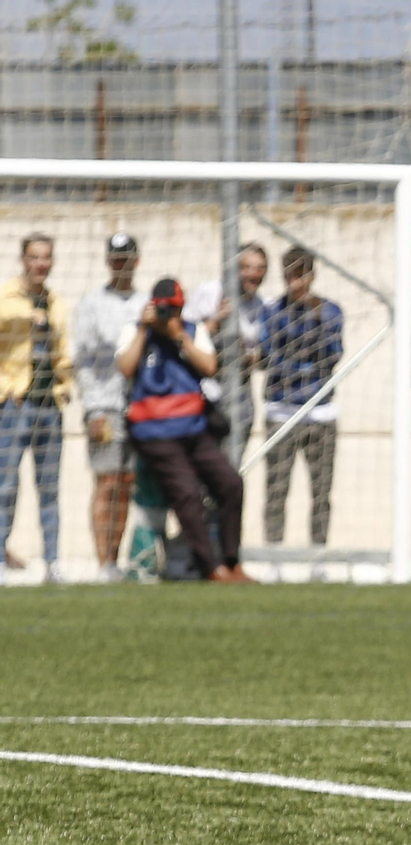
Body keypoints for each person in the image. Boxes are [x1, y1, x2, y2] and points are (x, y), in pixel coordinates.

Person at [115, 278, 250, 583]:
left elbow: (209, 367)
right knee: (187, 494)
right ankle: (210, 569)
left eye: (173, 309)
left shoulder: (191, 330)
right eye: (163, 309)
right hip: (154, 433)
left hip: (193, 429)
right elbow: (125, 367)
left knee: (231, 484)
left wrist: (179, 338)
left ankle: (231, 562)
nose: (168, 315)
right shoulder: (136, 331)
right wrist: (142, 329)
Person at [260, 246, 344, 579]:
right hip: (281, 410)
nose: (297, 282)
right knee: (276, 490)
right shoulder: (273, 312)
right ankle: (274, 559)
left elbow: (332, 355)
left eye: (302, 274)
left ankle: (318, 558)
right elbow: (268, 358)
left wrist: (298, 353)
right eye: (291, 275)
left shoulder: (330, 312)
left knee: (321, 492)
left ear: (312, 275)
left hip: (320, 411)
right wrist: (295, 363)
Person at [0, 233, 71, 585]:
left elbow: (63, 352)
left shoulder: (56, 302)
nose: (40, 263)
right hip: (15, 406)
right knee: (6, 486)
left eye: (46, 257)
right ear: (23, 259)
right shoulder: (6, 298)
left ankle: (53, 563)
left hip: (49, 407)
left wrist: (65, 385)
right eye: (34, 257)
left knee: (49, 488)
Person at [72, 231, 143, 582]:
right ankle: (103, 563)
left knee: (127, 482)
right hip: (106, 406)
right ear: (107, 261)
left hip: (140, 408)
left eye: (127, 258)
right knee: (107, 481)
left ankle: (116, 559)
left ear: (137, 261)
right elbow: (82, 361)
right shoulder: (91, 303)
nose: (121, 264)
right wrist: (92, 410)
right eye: (116, 258)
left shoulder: (145, 302)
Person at [185, 242, 269, 439]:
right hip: (203, 397)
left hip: (240, 402)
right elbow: (183, 337)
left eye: (260, 268)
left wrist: (247, 356)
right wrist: (216, 321)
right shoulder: (208, 291)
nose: (253, 274)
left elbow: (262, 355)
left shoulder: (262, 306)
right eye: (247, 267)